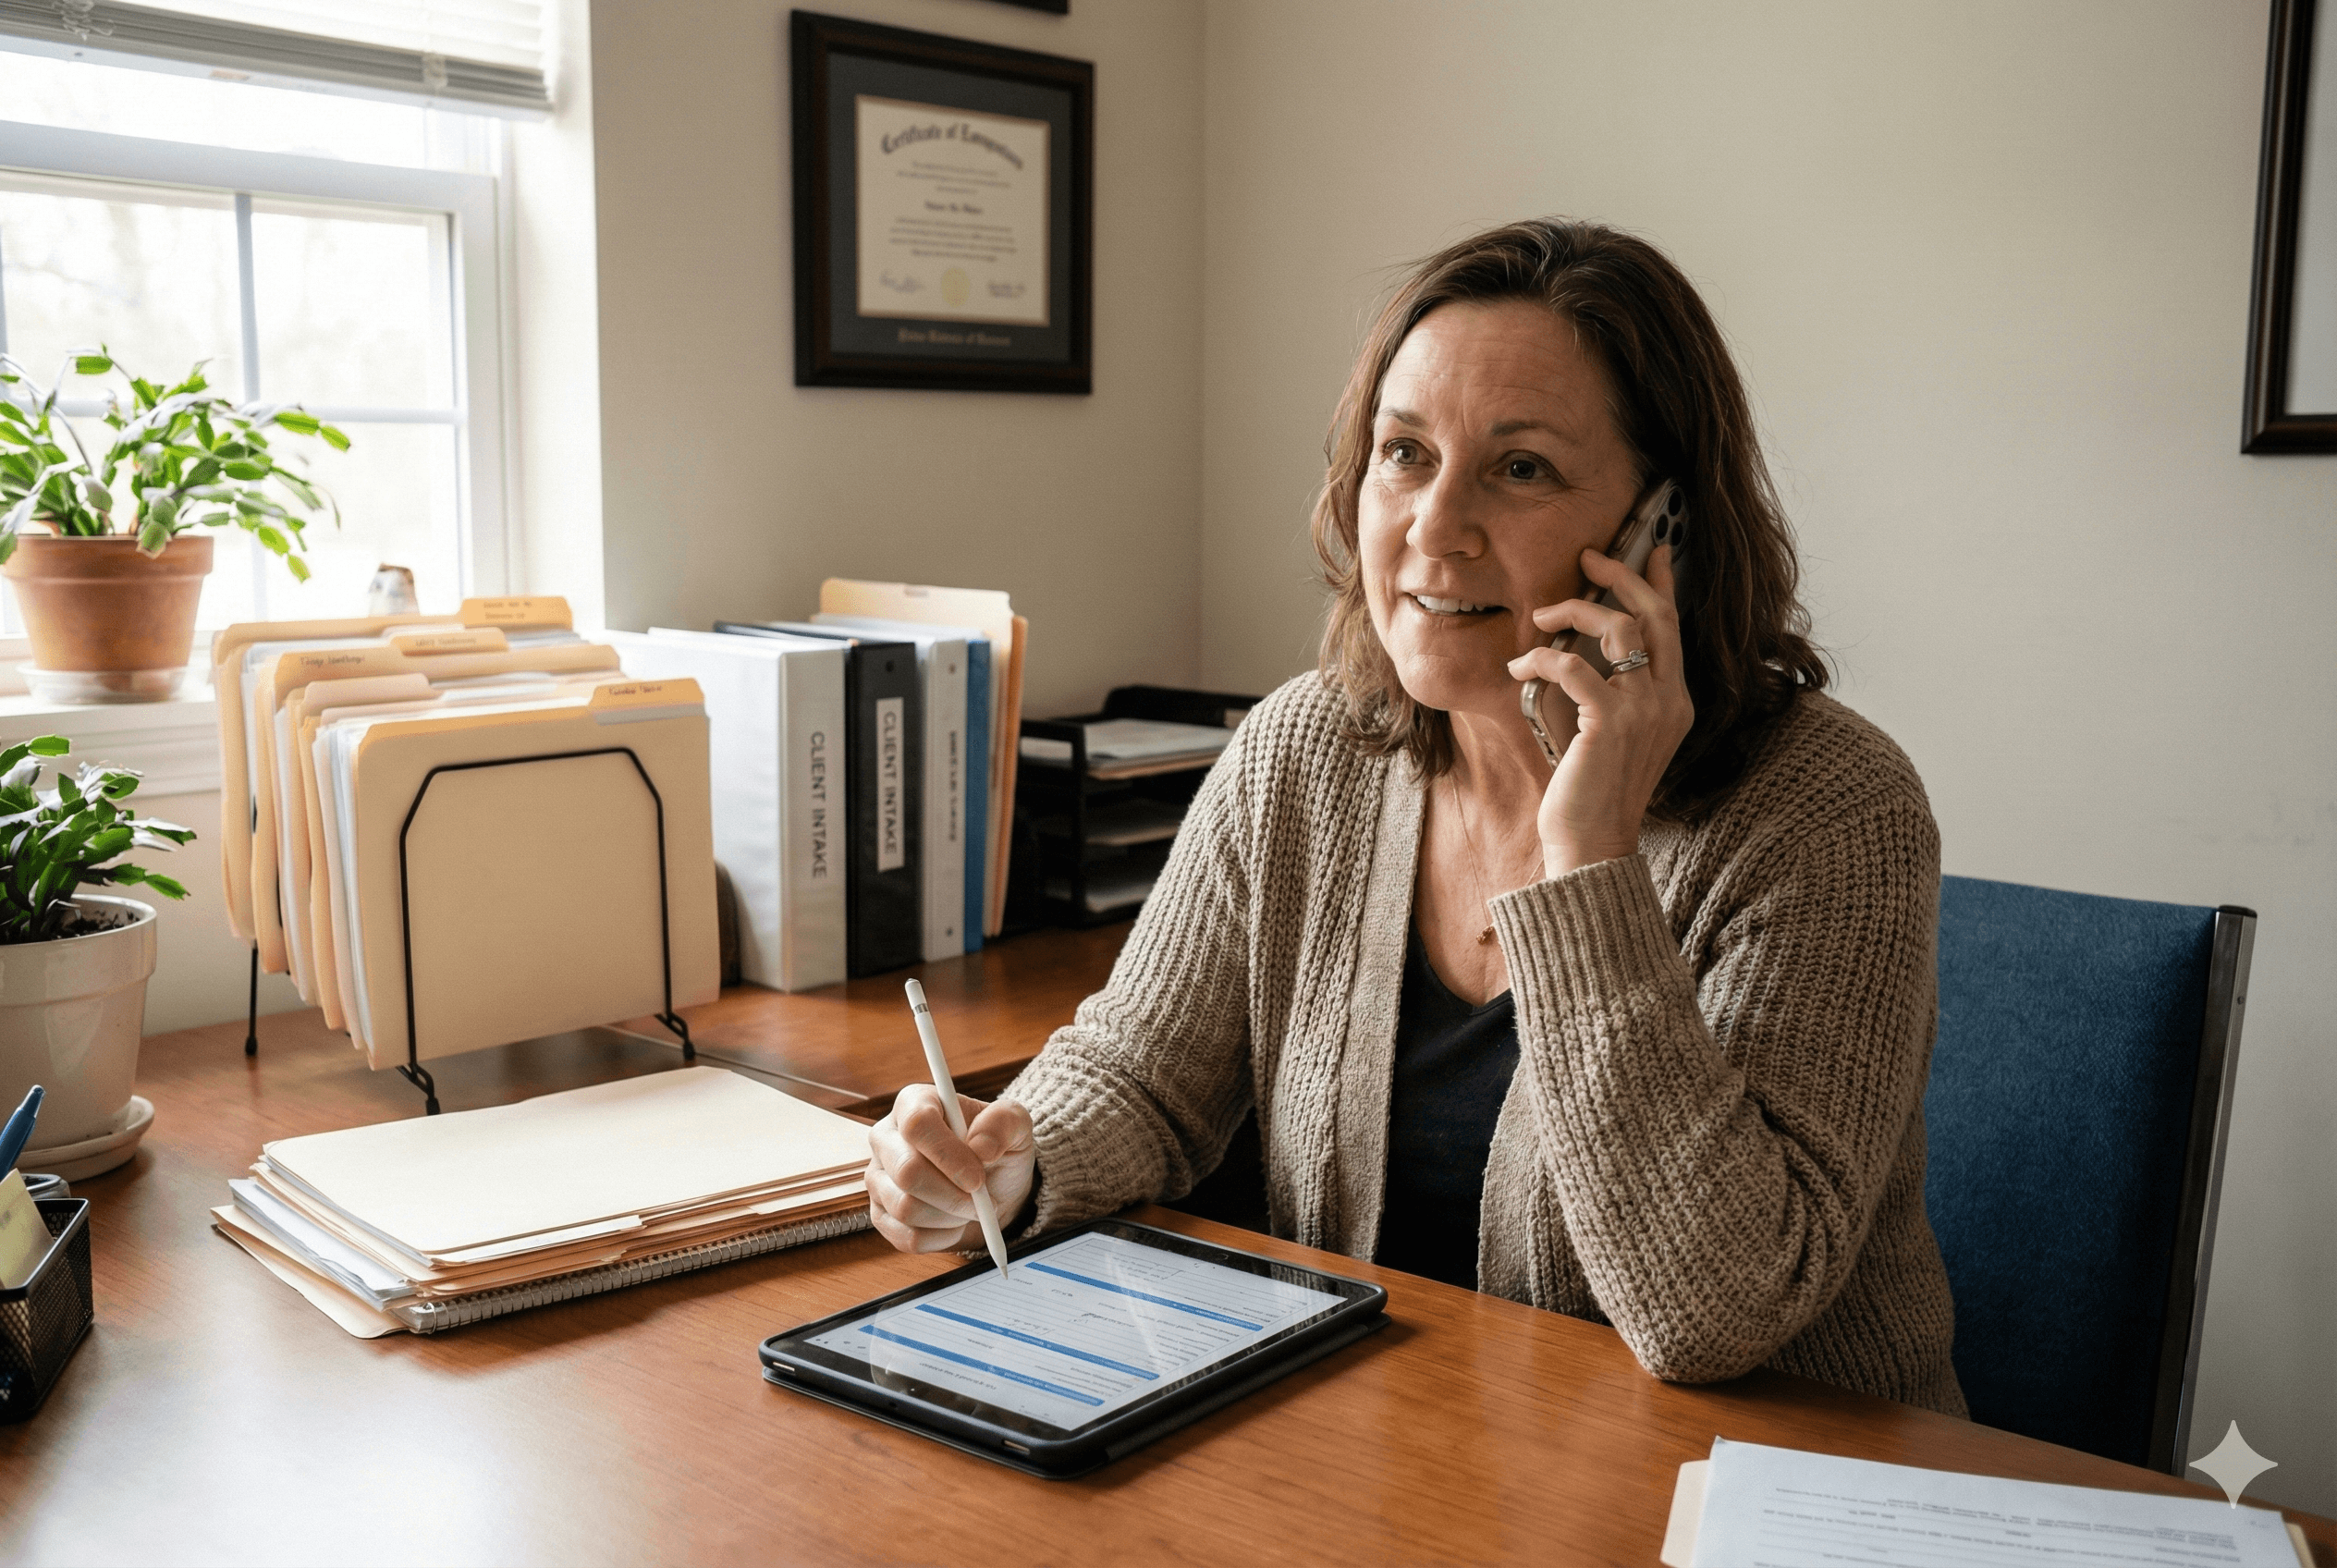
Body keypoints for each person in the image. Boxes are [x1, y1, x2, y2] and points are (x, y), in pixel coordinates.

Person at [866, 217, 1965, 1415]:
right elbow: (1143, 1074)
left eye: (1521, 466)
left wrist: (1587, 858)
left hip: (1762, 1486)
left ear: (1665, 529)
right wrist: (1006, 1159)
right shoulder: (1305, 749)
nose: (1435, 529)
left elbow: (1717, 1312)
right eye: (1404, 454)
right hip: (1411, 1466)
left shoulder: (1830, 815)